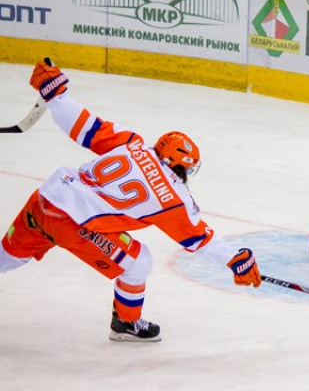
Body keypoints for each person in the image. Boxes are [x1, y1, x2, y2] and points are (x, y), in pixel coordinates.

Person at [0, 58, 262, 342]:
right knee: (139, 262)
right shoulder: (172, 197)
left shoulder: (132, 143)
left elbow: (83, 125)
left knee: (7, 258)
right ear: (180, 166)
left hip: (47, 198)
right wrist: (236, 260)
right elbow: (199, 239)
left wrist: (56, 94)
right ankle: (126, 322)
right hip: (73, 223)